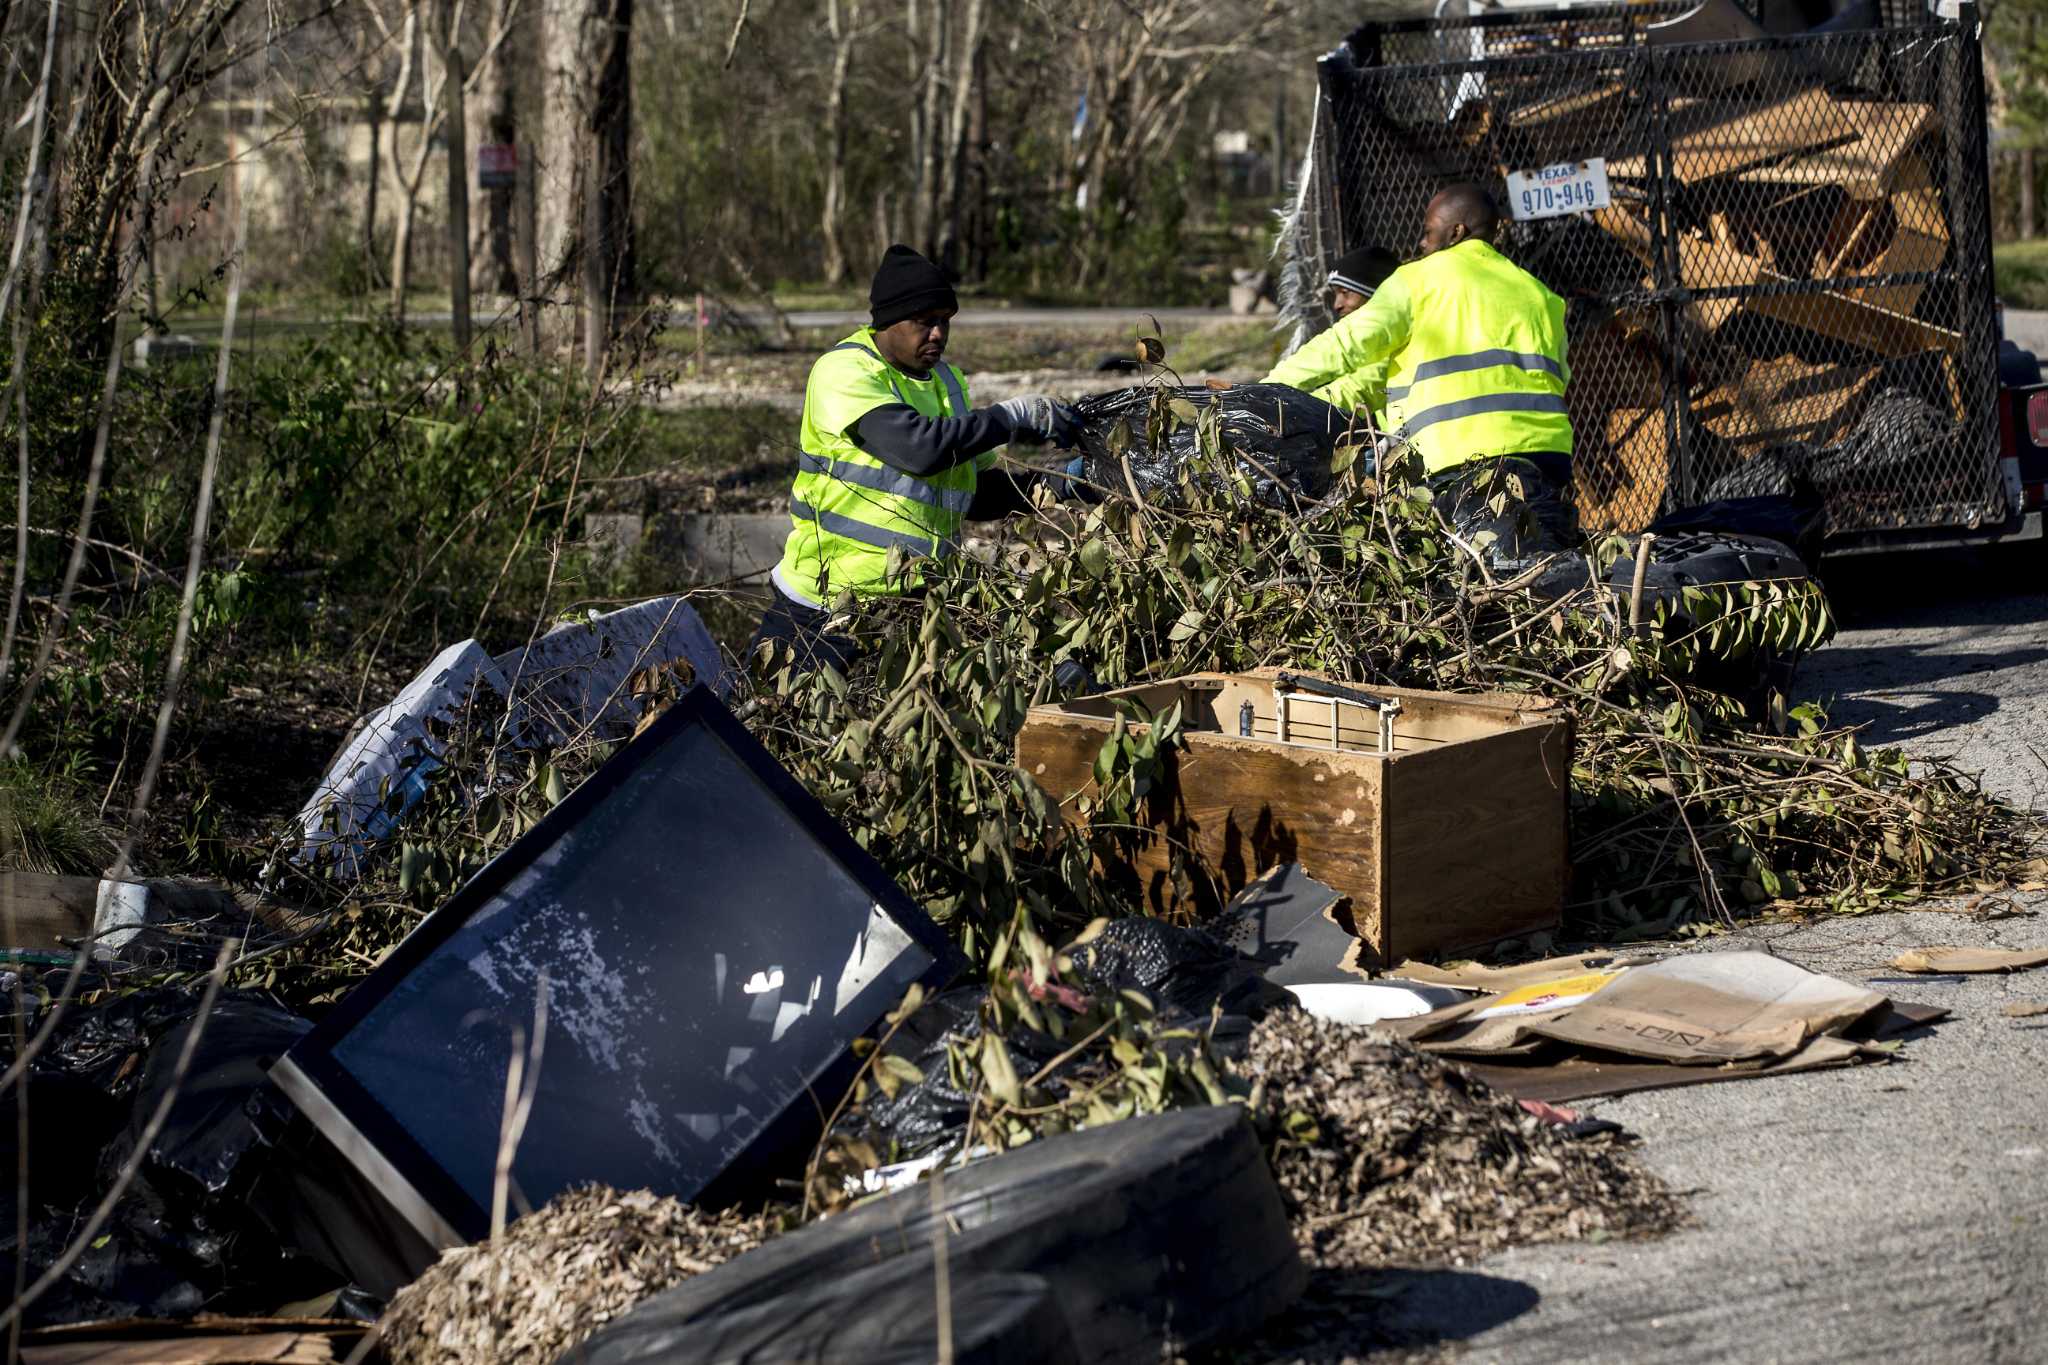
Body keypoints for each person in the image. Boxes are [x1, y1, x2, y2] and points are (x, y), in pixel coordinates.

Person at [752, 244, 1082, 672]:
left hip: (909, 606)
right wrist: (1010, 416)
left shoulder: (946, 382)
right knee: (787, 728)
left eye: (945, 322)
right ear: (889, 321)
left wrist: (1062, 482)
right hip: (826, 605)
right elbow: (921, 450)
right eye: (925, 322)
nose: (939, 334)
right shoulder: (845, 372)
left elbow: (975, 493)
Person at [1265, 184, 1572, 494]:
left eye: (1428, 232)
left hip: (1460, 457)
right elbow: (1559, 377)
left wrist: (1261, 395)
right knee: (1537, 540)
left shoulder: (1419, 280)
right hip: (1548, 457)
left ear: (1456, 233)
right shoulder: (1542, 296)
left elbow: (1343, 346)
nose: (1422, 243)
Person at [1307, 244, 1402, 425]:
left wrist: (1295, 410)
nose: (1337, 305)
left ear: (1377, 294)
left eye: (1345, 292)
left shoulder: (1395, 347)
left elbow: (1358, 388)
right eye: (1335, 294)